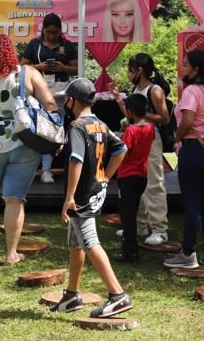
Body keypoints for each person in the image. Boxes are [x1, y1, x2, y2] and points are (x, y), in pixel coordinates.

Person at [0, 34, 59, 264]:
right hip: (23, 142)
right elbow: (50, 104)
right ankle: (11, 253)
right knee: (14, 199)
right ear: (13, 52)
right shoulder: (28, 74)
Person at [50, 77, 133, 319]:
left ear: (72, 100)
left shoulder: (77, 126)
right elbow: (121, 149)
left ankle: (118, 295)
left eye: (67, 98)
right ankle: (72, 294)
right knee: (76, 242)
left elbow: (76, 160)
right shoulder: (101, 125)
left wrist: (69, 197)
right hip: (96, 191)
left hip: (82, 194)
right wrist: (106, 176)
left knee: (89, 241)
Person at [163, 50, 204, 271]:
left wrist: (177, 137)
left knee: (191, 203)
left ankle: (188, 253)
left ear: (196, 69)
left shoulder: (192, 91)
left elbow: (188, 119)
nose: (182, 68)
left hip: (193, 149)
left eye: (186, 65)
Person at [21, 12, 77, 183]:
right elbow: (22, 66)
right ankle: (31, 169)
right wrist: (39, 67)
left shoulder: (68, 46)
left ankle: (47, 170)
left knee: (52, 130)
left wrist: (64, 68)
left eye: (55, 32)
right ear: (43, 30)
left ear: (61, 31)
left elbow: (77, 68)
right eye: (48, 32)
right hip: (38, 90)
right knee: (36, 129)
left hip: (59, 92)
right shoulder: (34, 44)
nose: (51, 36)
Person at [122, 53, 171, 246]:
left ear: (139, 70)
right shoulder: (136, 88)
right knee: (139, 184)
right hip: (138, 142)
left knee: (154, 184)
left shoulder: (154, 90)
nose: (128, 73)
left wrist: (144, 114)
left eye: (130, 69)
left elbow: (165, 118)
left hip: (152, 140)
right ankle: (140, 225)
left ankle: (160, 229)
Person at [114, 93, 153, 262]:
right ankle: (131, 249)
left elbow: (125, 153)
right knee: (133, 213)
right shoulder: (150, 127)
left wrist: (118, 141)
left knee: (127, 216)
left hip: (127, 176)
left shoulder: (131, 130)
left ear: (129, 112)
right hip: (142, 176)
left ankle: (129, 251)